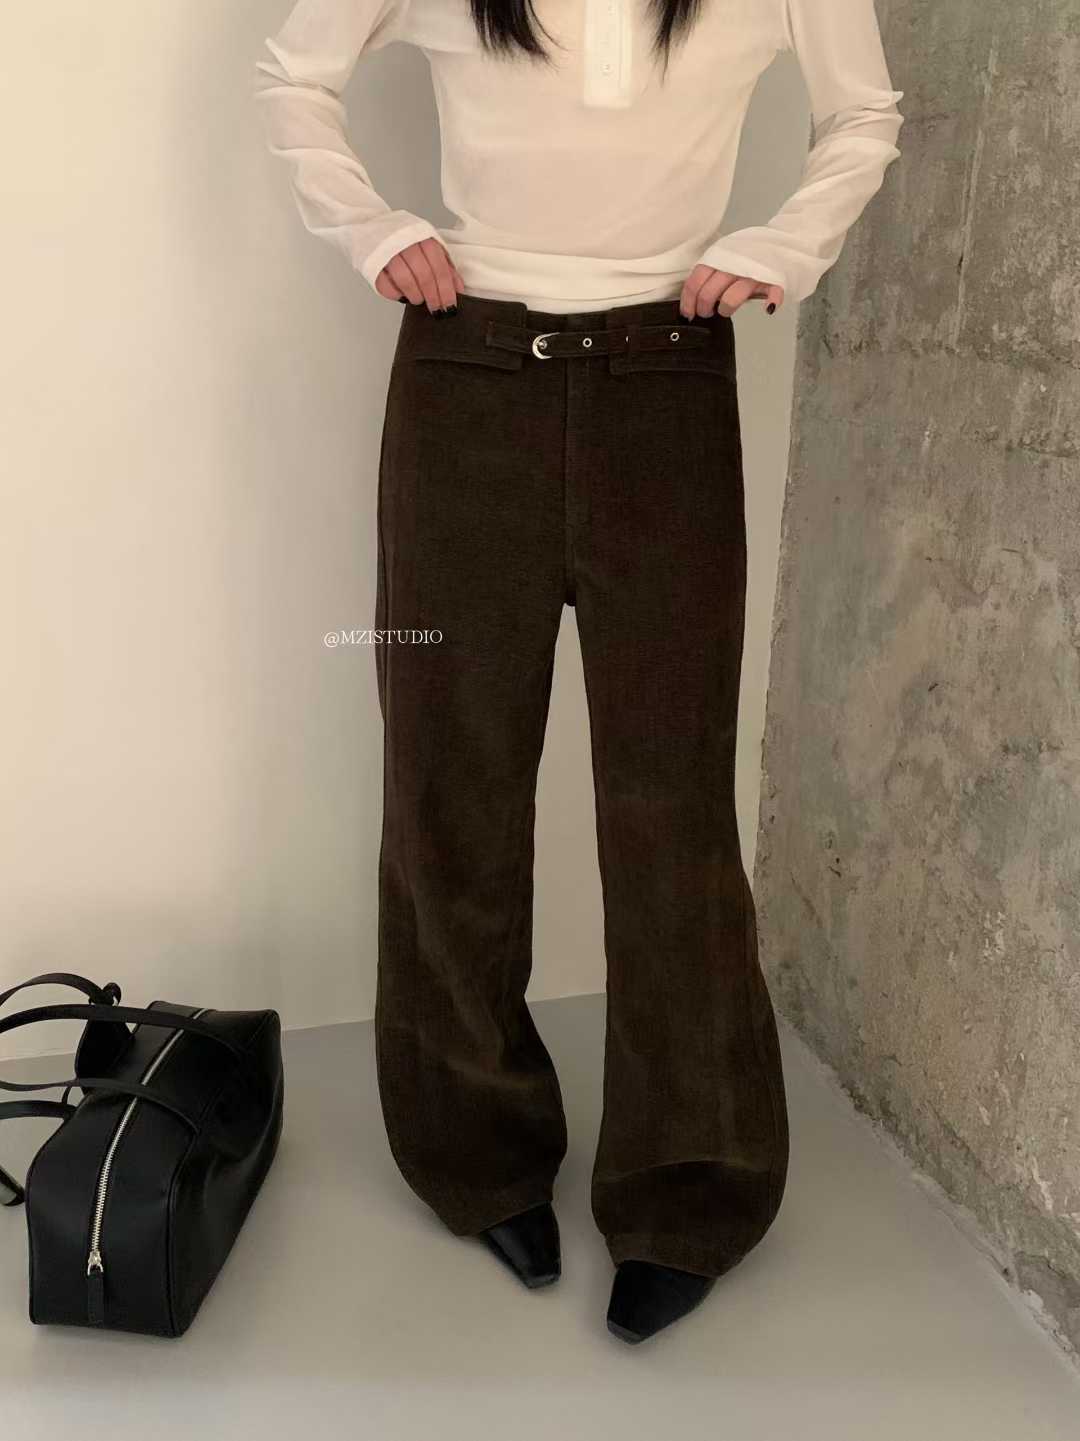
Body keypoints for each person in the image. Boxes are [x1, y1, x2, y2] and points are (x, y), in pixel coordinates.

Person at [253, 0, 903, 1344]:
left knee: (670, 801)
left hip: (666, 386)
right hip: (465, 381)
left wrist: (781, 243)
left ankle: (690, 1182)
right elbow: (292, 75)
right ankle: (476, 1151)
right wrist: (370, 226)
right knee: (452, 782)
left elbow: (863, 115)